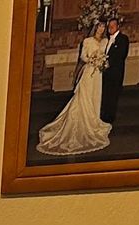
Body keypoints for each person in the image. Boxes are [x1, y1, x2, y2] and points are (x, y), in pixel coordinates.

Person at [38, 22, 115, 157]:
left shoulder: (105, 41)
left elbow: (106, 55)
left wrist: (103, 62)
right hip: (89, 72)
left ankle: (94, 121)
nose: (101, 29)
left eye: (103, 27)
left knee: (95, 97)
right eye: (99, 26)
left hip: (98, 74)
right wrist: (92, 59)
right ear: (95, 28)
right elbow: (83, 56)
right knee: (84, 97)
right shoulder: (87, 41)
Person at [101, 15, 132, 125]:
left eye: (113, 25)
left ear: (118, 26)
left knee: (113, 96)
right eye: (109, 26)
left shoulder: (123, 39)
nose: (111, 28)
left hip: (115, 73)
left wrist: (108, 63)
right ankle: (104, 116)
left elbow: (121, 55)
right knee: (106, 95)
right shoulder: (106, 40)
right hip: (106, 73)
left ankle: (109, 118)